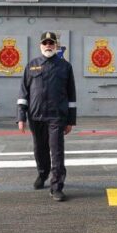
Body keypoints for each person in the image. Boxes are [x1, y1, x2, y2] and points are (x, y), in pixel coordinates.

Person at [17, 31, 77, 201]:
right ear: (40, 45)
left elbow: (71, 95)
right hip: (36, 116)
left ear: (56, 45)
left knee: (57, 151)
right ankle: (42, 174)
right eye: (45, 43)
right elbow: (23, 92)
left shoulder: (65, 66)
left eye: (51, 43)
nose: (48, 46)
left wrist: (70, 121)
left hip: (57, 116)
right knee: (40, 149)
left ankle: (56, 187)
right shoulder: (31, 65)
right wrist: (21, 116)